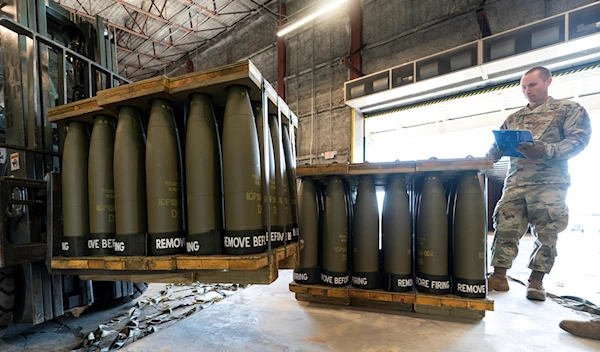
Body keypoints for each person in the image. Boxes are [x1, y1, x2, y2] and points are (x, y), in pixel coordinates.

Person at [486, 66, 592, 301]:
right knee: (505, 228)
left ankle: (536, 281)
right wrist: (482, 162)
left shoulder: (568, 109)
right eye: (524, 87)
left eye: (532, 85)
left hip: (550, 183)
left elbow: (579, 139)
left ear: (548, 82)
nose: (527, 91)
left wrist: (544, 150)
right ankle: (499, 275)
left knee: (547, 232)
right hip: (516, 182)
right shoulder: (515, 117)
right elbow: (498, 146)